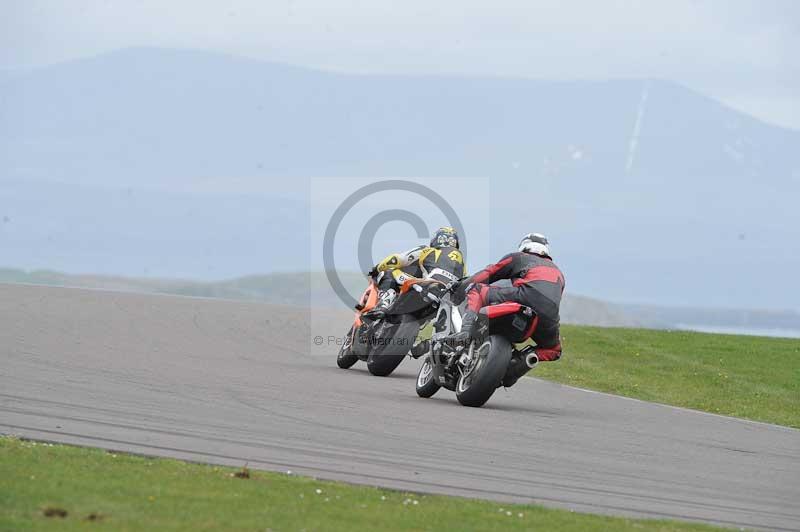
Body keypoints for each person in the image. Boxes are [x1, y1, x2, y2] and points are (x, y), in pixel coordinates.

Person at [448, 233, 564, 387]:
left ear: (525, 245)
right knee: (554, 350)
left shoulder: (519, 257)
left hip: (524, 297)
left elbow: (489, 273)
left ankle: (465, 331)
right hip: (549, 315)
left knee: (476, 289)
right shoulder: (559, 272)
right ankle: (517, 366)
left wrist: (461, 288)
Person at [364, 227, 464, 320]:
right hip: (447, 298)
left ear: (436, 239)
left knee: (388, 273)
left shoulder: (428, 250)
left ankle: (383, 305)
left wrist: (376, 268)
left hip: (429, 285)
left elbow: (396, 259)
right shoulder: (462, 263)